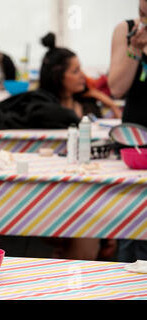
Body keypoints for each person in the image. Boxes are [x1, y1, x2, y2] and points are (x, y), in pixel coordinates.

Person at [108, 0, 147, 262]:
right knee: (132, 233)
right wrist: (134, 49)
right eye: (142, 13)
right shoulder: (128, 30)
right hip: (134, 144)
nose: (144, 20)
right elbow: (116, 88)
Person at [40, 32, 121, 120]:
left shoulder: (88, 105)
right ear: (57, 76)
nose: (83, 75)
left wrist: (111, 105)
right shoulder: (42, 111)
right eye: (75, 71)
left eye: (80, 69)